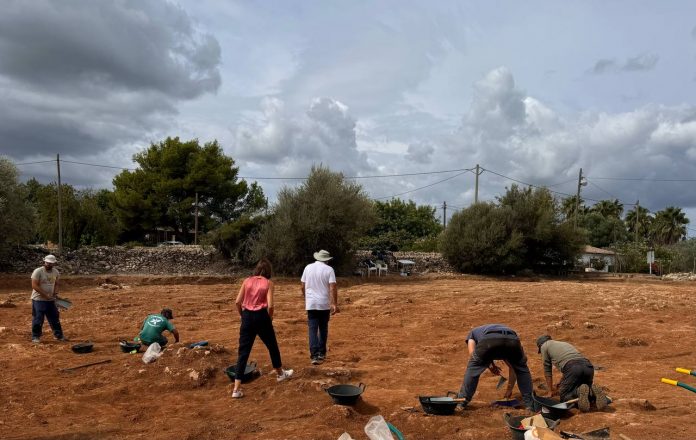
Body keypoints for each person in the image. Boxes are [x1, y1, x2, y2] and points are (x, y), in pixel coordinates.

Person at [232, 259, 293, 398]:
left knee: (243, 352)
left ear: (256, 269)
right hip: (261, 317)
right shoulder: (269, 283)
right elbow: (270, 305)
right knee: (272, 345)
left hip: (247, 316)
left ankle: (236, 389)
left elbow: (237, 302)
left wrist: (243, 316)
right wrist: (269, 318)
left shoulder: (246, 281)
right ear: (268, 271)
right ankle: (280, 374)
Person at [457, 324, 535, 411]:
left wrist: (488, 365)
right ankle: (530, 404)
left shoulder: (472, 334)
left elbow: (473, 355)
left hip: (490, 340)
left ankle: (461, 403)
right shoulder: (498, 330)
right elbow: (513, 367)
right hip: (512, 338)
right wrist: (509, 389)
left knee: (474, 365)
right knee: (521, 368)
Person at [536, 335, 608, 412]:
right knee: (584, 389)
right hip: (588, 366)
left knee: (565, 396)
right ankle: (593, 393)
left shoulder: (544, 346)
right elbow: (568, 372)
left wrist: (550, 391)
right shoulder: (563, 344)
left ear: (540, 345)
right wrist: (562, 382)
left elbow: (547, 369)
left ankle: (578, 392)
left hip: (573, 368)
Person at [301, 249, 339, 365]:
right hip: (323, 304)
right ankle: (322, 353)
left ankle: (314, 355)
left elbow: (302, 285)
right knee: (323, 328)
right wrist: (334, 304)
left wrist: (306, 298)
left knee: (312, 329)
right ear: (327, 260)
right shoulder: (329, 270)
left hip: (311, 303)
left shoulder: (308, 267)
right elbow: (333, 287)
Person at [31, 254, 67, 343]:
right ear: (44, 262)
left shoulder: (56, 272)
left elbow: (57, 284)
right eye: (48, 263)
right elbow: (34, 285)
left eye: (51, 263)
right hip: (38, 300)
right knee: (38, 319)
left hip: (50, 300)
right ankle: (36, 337)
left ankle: (59, 336)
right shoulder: (38, 271)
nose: (49, 265)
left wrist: (55, 293)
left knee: (54, 318)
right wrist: (45, 295)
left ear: (54, 263)